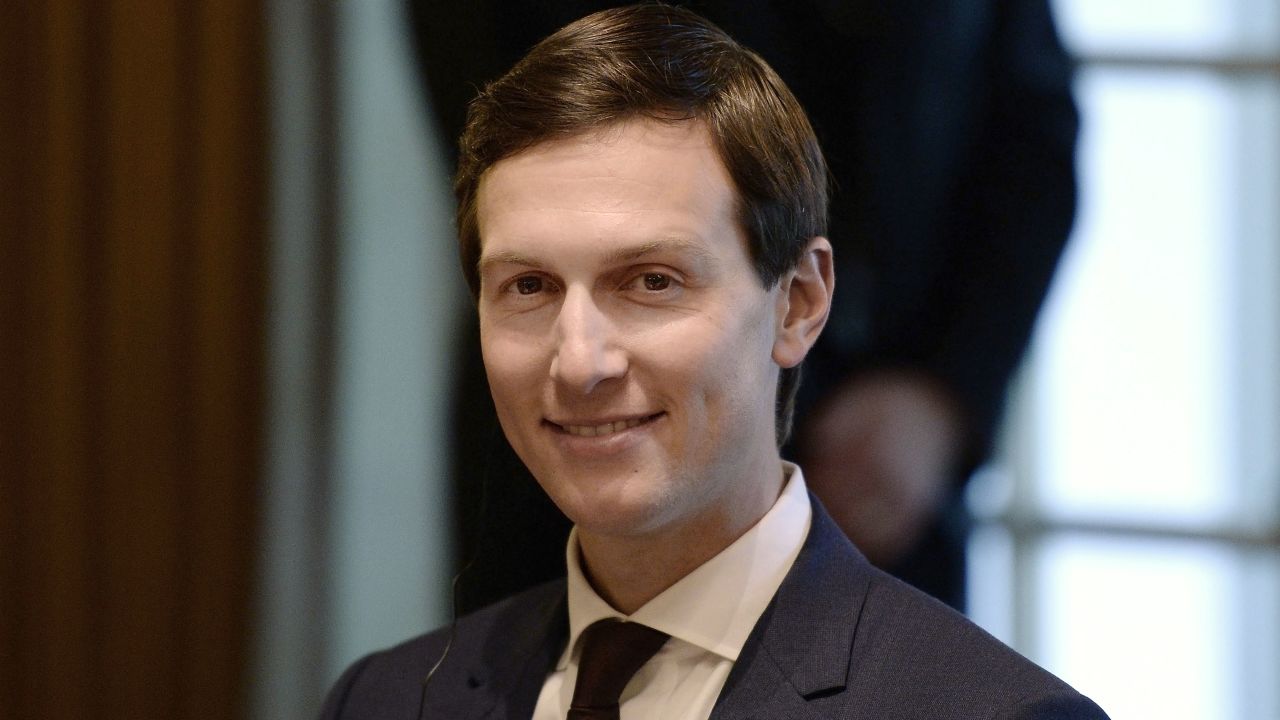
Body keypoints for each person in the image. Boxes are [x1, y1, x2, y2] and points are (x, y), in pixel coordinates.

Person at [320, 6, 1105, 718]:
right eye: (527, 283)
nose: (582, 359)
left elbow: (1027, 131)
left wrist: (943, 390)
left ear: (800, 302)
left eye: (650, 281)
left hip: (888, 434)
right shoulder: (381, 700)